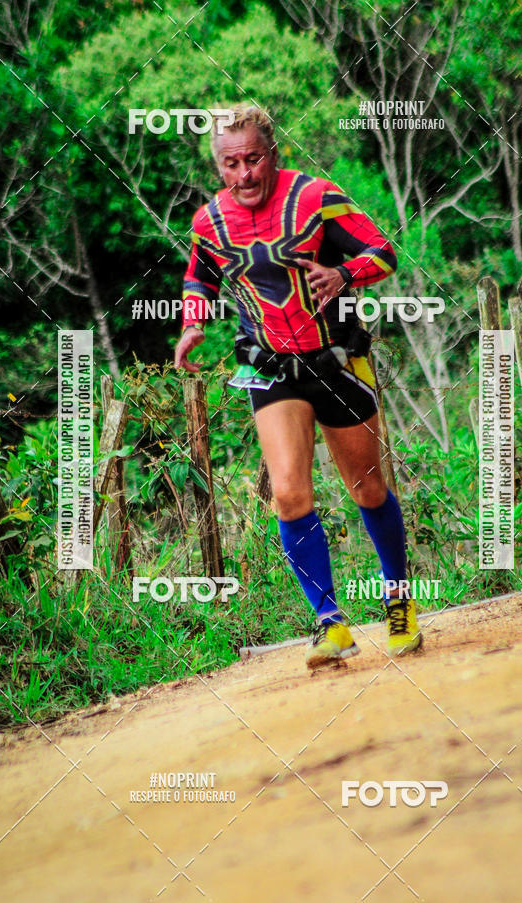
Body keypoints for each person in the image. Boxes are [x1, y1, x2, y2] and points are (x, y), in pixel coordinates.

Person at [174, 103, 421, 669]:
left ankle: (400, 605)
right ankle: (330, 624)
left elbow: (383, 251)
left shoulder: (315, 197)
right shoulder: (209, 222)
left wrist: (344, 273)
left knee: (367, 487)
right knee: (287, 493)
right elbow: (199, 275)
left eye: (254, 159)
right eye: (232, 164)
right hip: (266, 363)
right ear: (218, 168)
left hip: (335, 359)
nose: (245, 175)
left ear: (272, 155)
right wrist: (193, 323)